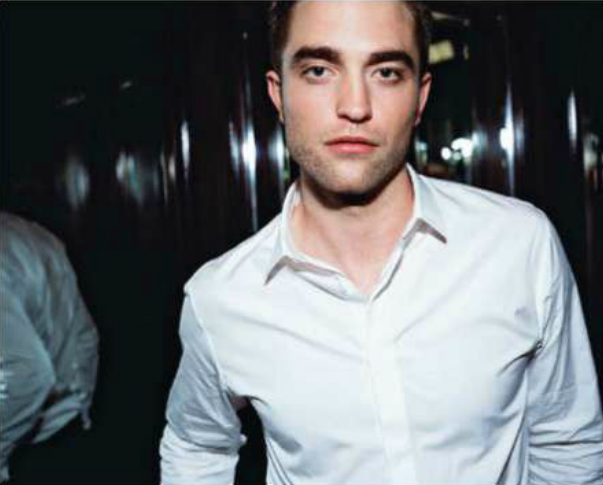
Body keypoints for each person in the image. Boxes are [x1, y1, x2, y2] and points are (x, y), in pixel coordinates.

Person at [160, 1, 603, 483]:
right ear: (278, 94)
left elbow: (567, 441)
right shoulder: (221, 298)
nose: (355, 106)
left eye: (386, 72)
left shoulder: (519, 246)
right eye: (318, 70)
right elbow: (197, 445)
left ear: (420, 97)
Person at [0, 212, 99, 483]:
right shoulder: (23, 230)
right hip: (68, 417)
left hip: (26, 435)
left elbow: (28, 376)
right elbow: (83, 332)